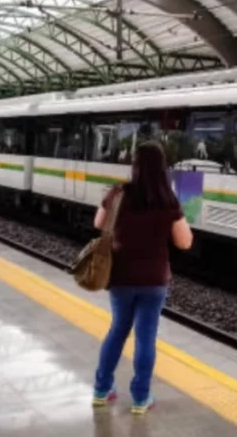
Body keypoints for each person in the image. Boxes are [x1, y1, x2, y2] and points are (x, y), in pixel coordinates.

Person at [92, 141, 193, 414]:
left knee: (117, 331)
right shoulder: (167, 200)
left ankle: (101, 390)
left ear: (134, 165)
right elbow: (184, 242)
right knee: (145, 337)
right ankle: (140, 398)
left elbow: (98, 223)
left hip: (121, 276)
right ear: (162, 168)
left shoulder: (118, 193)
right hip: (153, 280)